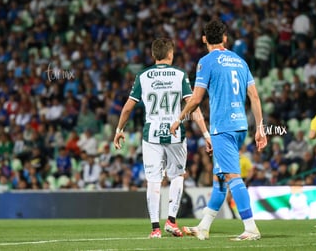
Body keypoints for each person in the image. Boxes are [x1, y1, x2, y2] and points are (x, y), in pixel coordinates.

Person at [170, 20, 267, 241]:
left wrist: (178, 120)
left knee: (233, 178)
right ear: (225, 38)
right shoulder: (240, 61)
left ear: (204, 39)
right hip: (240, 126)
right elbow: (254, 96)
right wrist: (260, 128)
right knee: (220, 179)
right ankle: (203, 227)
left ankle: (251, 227)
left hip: (222, 127)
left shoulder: (206, 62)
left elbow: (196, 99)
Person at [113, 38, 210, 238]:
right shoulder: (180, 74)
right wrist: (206, 133)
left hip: (152, 135)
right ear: (170, 54)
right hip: (175, 134)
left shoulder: (143, 76)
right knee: (177, 176)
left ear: (153, 55)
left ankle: (155, 228)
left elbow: (128, 107)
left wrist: (119, 129)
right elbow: (193, 106)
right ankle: (171, 222)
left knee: (153, 181)